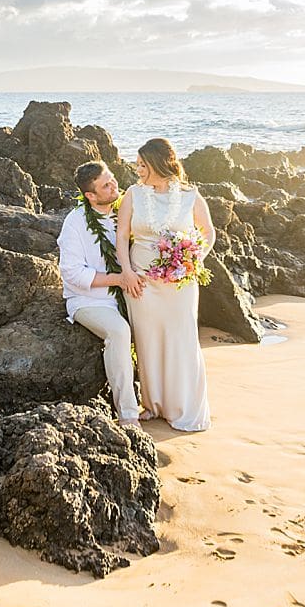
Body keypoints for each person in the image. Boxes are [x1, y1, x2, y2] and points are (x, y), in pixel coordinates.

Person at [116, 138, 215, 432]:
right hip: (141, 283)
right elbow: (122, 237)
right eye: (138, 164)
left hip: (179, 285)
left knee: (180, 339)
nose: (138, 169)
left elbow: (207, 232)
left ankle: (183, 406)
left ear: (160, 163)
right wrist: (127, 273)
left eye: (143, 164)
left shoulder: (190, 196)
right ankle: (153, 404)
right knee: (148, 341)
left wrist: (193, 259)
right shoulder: (133, 194)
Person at [57, 161, 145, 428]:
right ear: (90, 196)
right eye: (106, 185)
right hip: (88, 299)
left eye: (112, 179)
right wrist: (118, 279)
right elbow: (72, 273)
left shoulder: (124, 212)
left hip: (127, 292)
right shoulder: (75, 223)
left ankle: (160, 400)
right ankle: (128, 415)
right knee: (119, 331)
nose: (114, 185)